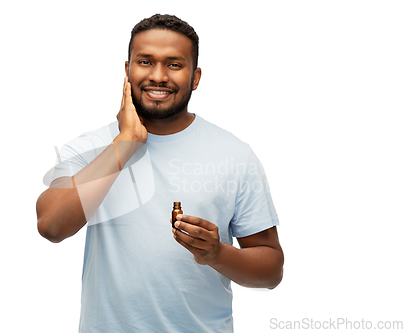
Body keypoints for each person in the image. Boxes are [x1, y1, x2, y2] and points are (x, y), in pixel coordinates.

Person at [36, 14, 284, 332]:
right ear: (127, 70)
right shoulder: (91, 146)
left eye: (174, 64)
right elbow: (51, 226)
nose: (158, 76)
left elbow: (271, 271)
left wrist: (217, 253)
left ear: (195, 77)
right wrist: (125, 144)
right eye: (145, 61)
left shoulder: (235, 155)